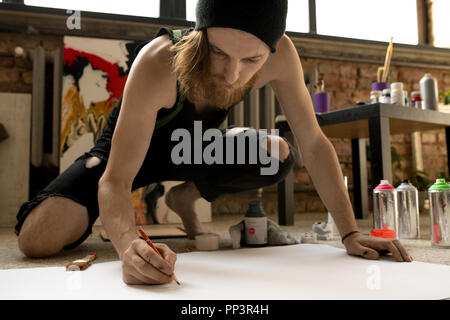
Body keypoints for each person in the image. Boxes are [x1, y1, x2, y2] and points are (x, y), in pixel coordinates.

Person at [15, 0, 412, 286]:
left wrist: (349, 233)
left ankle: (186, 195)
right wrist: (127, 244)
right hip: (125, 152)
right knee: (37, 240)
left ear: (270, 49)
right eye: (218, 53)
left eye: (252, 60)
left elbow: (314, 141)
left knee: (278, 154)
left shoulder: (282, 55)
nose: (233, 74)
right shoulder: (158, 60)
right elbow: (115, 180)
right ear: (199, 34)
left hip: (192, 148)